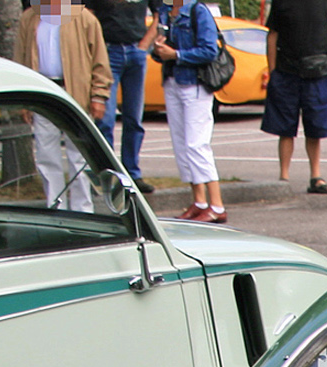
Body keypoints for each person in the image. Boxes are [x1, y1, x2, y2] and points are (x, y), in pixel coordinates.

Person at [16, 0, 109, 208]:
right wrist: (24, 99)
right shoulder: (30, 18)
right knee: (46, 155)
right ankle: (56, 207)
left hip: (75, 93)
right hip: (42, 92)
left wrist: (99, 96)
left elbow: (100, 61)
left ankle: (83, 211)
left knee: (79, 156)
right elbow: (21, 58)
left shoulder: (84, 18)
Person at [264, 0, 327, 194]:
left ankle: (316, 177)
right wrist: (273, 72)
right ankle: (284, 177)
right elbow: (272, 35)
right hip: (286, 72)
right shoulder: (281, 3)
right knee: (285, 128)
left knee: (316, 127)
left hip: (317, 72)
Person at [150, 0, 225, 220]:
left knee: (197, 143)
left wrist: (176, 55)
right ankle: (199, 200)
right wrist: (159, 50)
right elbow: (160, 52)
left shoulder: (197, 10)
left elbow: (209, 50)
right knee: (181, 143)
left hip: (195, 83)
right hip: (173, 81)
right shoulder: (165, 11)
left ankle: (217, 205)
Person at [85, 0, 153, 193]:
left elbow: (159, 14)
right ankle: (106, 174)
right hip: (108, 50)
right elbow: (89, 14)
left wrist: (144, 45)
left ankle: (132, 173)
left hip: (136, 50)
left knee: (134, 118)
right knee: (105, 119)